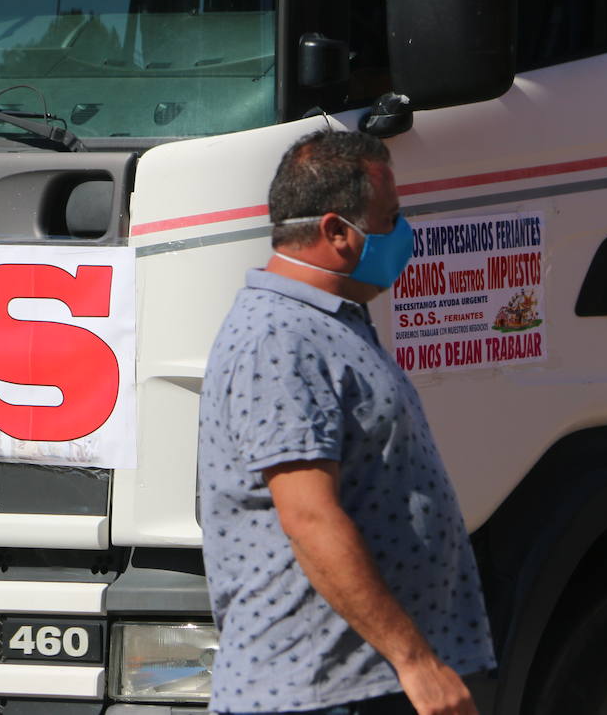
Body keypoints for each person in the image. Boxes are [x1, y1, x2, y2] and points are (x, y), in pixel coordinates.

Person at [198, 129, 495, 715]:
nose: (402, 233)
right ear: (336, 231)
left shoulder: (331, 323)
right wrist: (415, 661)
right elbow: (310, 517)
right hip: (319, 693)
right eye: (390, 217)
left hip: (364, 682)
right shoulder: (279, 336)